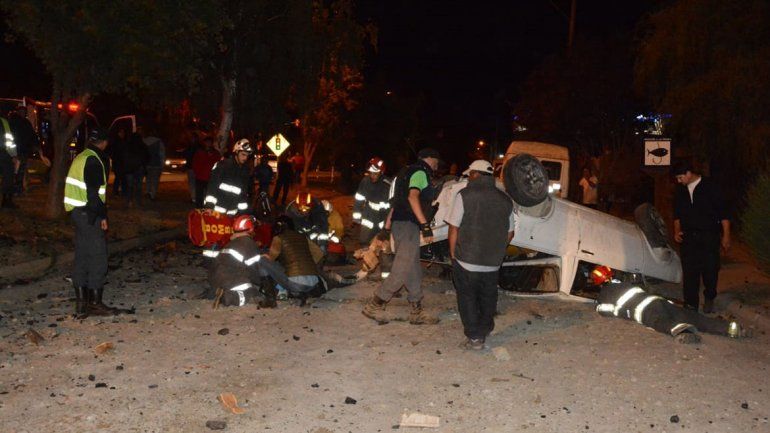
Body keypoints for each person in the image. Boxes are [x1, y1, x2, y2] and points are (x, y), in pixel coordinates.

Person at [361, 147, 441, 325]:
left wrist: (386, 228)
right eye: (436, 161)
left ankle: (416, 309)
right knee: (401, 268)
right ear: (430, 159)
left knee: (412, 269)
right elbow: (413, 198)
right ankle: (375, 304)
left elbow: (397, 204)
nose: (437, 165)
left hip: (399, 224)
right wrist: (425, 225)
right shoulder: (421, 172)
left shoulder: (404, 172)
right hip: (409, 225)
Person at [447, 160, 516, 350]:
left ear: (476, 175)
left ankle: (475, 337)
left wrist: (453, 254)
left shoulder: (465, 195)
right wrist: (496, 249)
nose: (469, 178)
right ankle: (485, 329)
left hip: (466, 259)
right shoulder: (505, 200)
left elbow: (454, 227)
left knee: (467, 296)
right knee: (487, 296)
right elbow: (510, 233)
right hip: (493, 261)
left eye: (470, 174)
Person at [593, 270, 746, 343]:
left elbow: (607, 310)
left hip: (645, 311)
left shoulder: (604, 294)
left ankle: (684, 332)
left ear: (598, 283)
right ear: (610, 275)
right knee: (692, 316)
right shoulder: (626, 284)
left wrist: (598, 306)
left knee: (660, 322)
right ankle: (730, 328)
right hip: (659, 302)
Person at [63, 129, 121, 317]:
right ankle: (95, 303)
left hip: (77, 212)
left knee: (82, 255)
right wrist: (102, 217)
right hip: (89, 214)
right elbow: (94, 194)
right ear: (104, 143)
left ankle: (82, 304)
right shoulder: (94, 160)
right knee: (98, 258)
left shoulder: (82, 157)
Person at [672, 160, 731, 313]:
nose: (679, 181)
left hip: (709, 236)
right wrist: (677, 230)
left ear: (689, 173)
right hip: (688, 237)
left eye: (680, 177)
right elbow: (677, 213)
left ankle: (710, 296)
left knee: (710, 269)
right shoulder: (681, 191)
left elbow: (724, 213)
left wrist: (726, 236)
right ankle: (691, 304)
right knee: (690, 272)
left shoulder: (711, 187)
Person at [206, 215, 277, 308]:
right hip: (231, 280)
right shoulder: (248, 243)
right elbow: (254, 270)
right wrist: (260, 285)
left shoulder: (232, 243)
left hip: (214, 278)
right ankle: (227, 297)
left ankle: (218, 291)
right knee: (250, 293)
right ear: (250, 228)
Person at [266, 215, 327, 303]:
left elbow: (271, 259)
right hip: (313, 281)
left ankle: (281, 292)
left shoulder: (278, 238)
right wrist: (308, 263)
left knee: (270, 264)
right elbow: (319, 253)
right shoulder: (303, 237)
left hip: (296, 283)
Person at [203, 139, 253, 216]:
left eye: (247, 155)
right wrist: (209, 206)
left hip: (232, 215)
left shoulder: (245, 171)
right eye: (243, 154)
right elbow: (212, 187)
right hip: (216, 213)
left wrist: (245, 215)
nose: (245, 158)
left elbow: (243, 194)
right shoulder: (222, 166)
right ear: (236, 152)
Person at [352, 157, 391, 247]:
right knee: (364, 241)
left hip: (383, 218)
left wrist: (388, 224)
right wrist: (356, 217)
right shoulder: (365, 181)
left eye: (375, 174)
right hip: (368, 216)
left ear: (381, 173)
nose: (372, 176)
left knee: (381, 244)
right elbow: (359, 199)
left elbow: (391, 206)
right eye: (371, 173)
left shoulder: (388, 184)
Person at [8, 105, 44, 196]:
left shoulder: (25, 122)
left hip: (21, 151)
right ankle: (15, 189)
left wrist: (36, 146)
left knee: (20, 171)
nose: (23, 113)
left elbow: (32, 136)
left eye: (24, 111)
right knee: (17, 171)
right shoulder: (14, 122)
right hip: (16, 151)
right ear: (18, 112)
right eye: (21, 111)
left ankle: (17, 189)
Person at [119, 131, 149, 207]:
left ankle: (129, 202)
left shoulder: (127, 145)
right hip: (139, 168)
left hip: (129, 169)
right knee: (138, 186)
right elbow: (147, 157)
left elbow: (123, 157)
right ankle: (138, 202)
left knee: (129, 186)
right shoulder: (143, 146)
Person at [192, 137, 221, 208]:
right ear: (204, 143)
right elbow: (195, 163)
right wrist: (197, 172)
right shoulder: (200, 152)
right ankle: (199, 208)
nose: (208, 144)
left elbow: (218, 164)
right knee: (199, 194)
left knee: (210, 194)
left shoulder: (216, 153)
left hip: (210, 177)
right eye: (207, 142)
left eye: (209, 142)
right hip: (200, 176)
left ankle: (209, 207)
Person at [0, 115, 19, 209]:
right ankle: (6, 201)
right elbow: (9, 140)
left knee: (8, 176)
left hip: (3, 153)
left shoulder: (4, 122)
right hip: (3, 153)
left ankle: (6, 200)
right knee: (8, 176)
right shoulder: (4, 122)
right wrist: (14, 155)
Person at [143, 128, 165, 201]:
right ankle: (152, 194)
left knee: (148, 179)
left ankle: (147, 192)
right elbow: (162, 154)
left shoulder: (144, 141)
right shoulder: (159, 142)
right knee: (155, 180)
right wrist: (162, 164)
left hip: (147, 164)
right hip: (156, 164)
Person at [183, 134, 200, 203]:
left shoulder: (194, 147)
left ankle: (194, 197)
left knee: (194, 183)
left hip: (195, 167)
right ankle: (194, 197)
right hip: (191, 167)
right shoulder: (191, 147)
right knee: (193, 183)